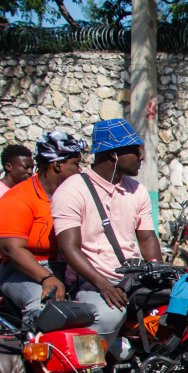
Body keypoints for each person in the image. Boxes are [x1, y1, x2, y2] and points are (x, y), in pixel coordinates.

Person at [51, 119, 161, 344]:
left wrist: (159, 272)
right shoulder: (72, 190)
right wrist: (103, 284)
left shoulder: (137, 190)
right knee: (111, 315)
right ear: (114, 154)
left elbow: (148, 238)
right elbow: (69, 247)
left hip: (131, 280)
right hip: (90, 282)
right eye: (135, 151)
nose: (141, 157)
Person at [0, 131, 86, 321]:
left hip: (66, 267)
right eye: (75, 164)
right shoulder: (18, 198)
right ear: (56, 165)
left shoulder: (75, 196)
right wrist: (47, 278)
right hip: (21, 269)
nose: (80, 170)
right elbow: (11, 249)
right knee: (45, 307)